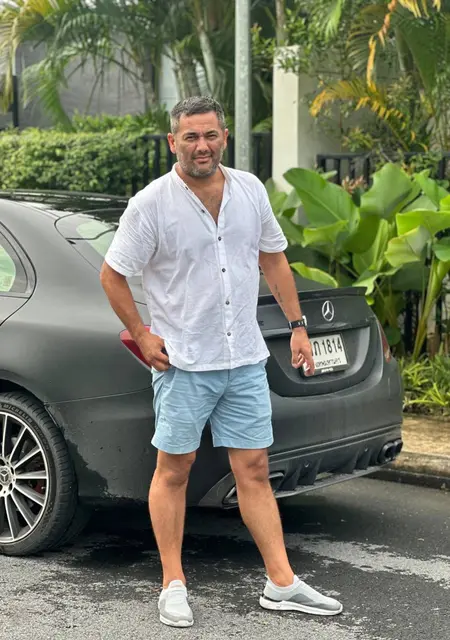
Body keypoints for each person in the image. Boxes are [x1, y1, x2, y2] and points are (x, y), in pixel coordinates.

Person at [100, 96, 343, 628]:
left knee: (253, 469)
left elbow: (273, 258)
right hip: (183, 363)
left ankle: (281, 583)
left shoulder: (250, 190)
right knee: (174, 471)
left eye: (210, 135)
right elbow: (112, 274)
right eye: (190, 136)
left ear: (224, 138)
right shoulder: (151, 204)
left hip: (244, 358)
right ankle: (172, 585)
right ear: (173, 142)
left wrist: (298, 326)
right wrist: (142, 334)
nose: (202, 146)